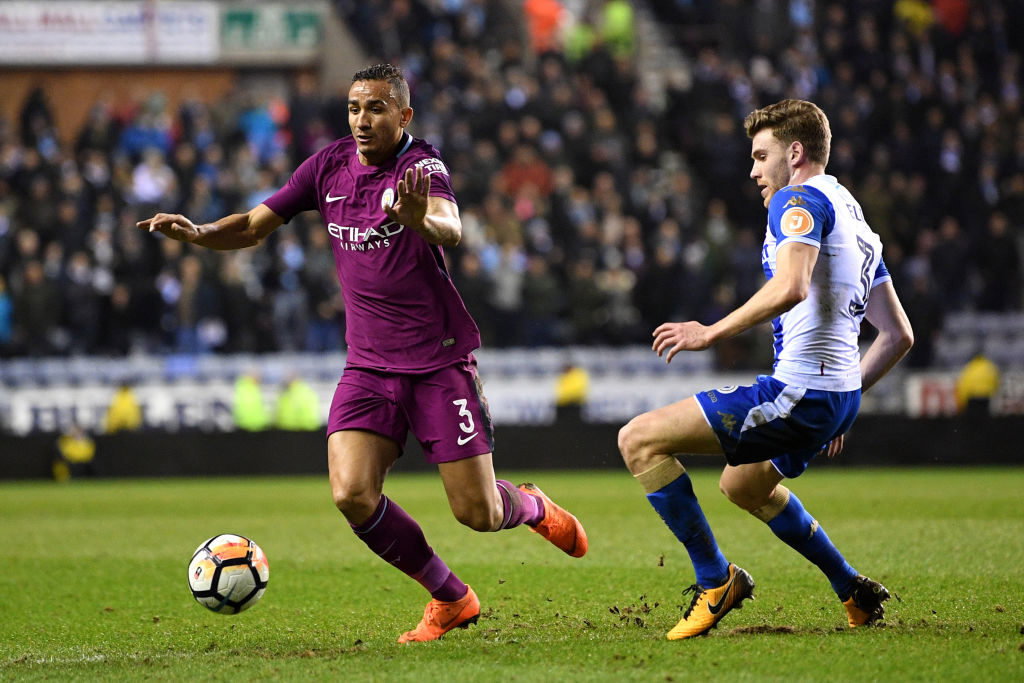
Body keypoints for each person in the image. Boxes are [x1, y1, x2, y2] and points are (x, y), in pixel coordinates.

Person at [137, 64, 587, 643]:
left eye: (375, 108)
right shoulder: (327, 167)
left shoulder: (420, 167)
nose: (361, 119)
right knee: (350, 492)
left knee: (479, 514)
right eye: (354, 108)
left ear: (404, 116)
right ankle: (450, 598)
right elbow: (252, 226)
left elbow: (451, 226)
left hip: (436, 363)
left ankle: (530, 505)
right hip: (369, 365)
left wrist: (418, 215)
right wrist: (199, 234)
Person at [618, 99, 914, 640]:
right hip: (836, 394)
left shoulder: (795, 200)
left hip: (801, 391)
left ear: (794, 153)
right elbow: (898, 335)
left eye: (761, 156)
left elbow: (793, 285)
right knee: (744, 484)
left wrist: (709, 331)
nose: (754, 171)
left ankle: (716, 581)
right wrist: (846, 401)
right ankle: (853, 589)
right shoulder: (852, 212)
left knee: (638, 440)